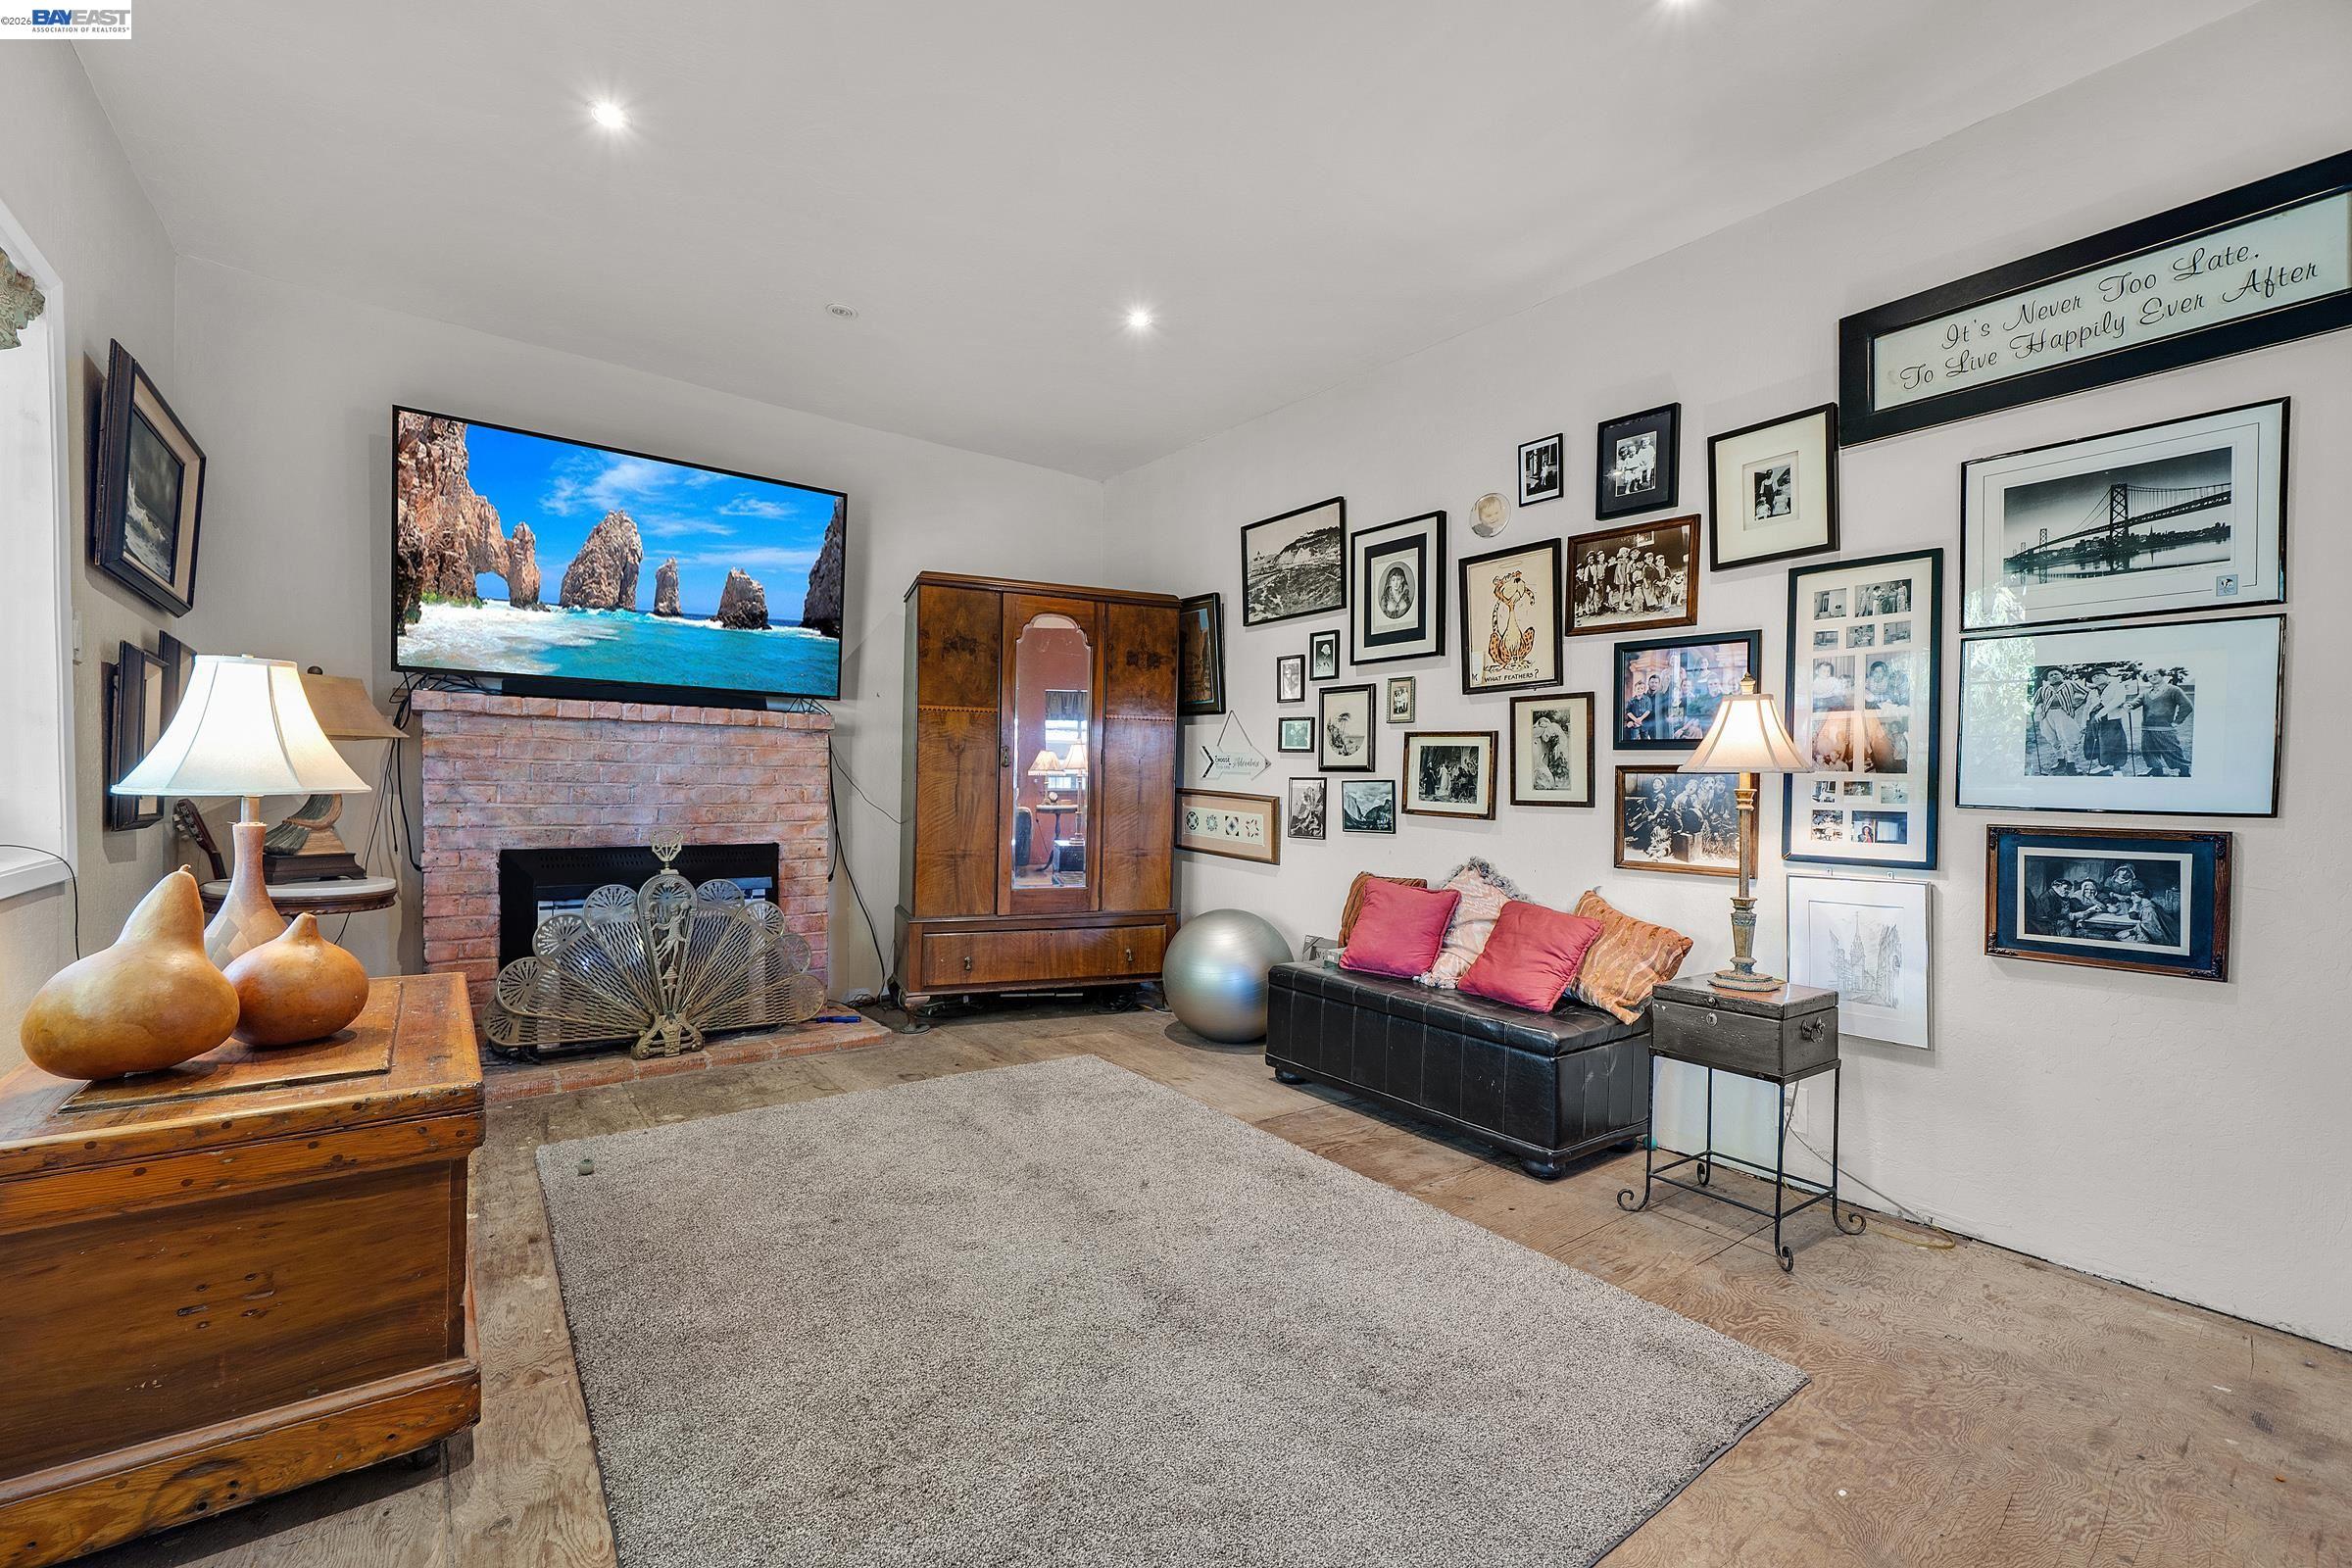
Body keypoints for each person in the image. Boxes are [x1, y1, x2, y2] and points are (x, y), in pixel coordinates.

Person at [2137, 671, 2193, 777]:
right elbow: (2137, 702)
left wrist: (2177, 721)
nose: (2153, 677)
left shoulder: (2173, 690)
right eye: (2150, 676)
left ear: (2162, 675)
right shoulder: (2145, 693)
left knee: (2172, 750)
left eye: (2155, 674)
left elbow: (2187, 706)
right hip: (2147, 728)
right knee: (2149, 751)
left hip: (2165, 728)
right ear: (2147, 679)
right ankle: (2156, 770)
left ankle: (2184, 771)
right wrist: (2129, 705)